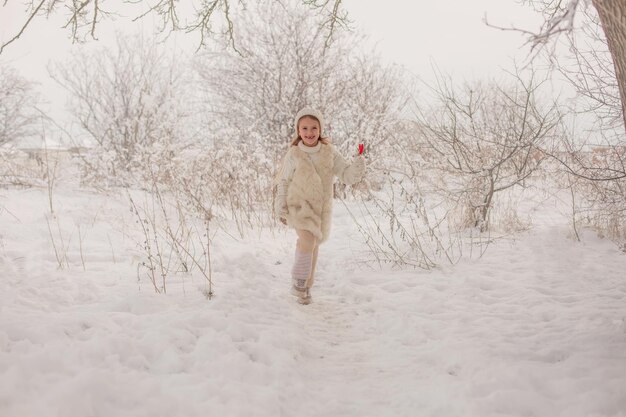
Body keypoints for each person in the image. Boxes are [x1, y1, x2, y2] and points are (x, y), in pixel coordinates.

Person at [274, 107, 366, 305]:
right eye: (304, 128)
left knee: (313, 244)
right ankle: (298, 281)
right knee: (307, 239)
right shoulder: (294, 154)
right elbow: (283, 180)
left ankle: (306, 286)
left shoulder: (329, 153)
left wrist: (358, 164)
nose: (309, 133)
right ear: (298, 131)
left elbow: (347, 176)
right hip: (298, 204)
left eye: (314, 128)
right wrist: (280, 205)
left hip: (320, 208)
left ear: (320, 129)